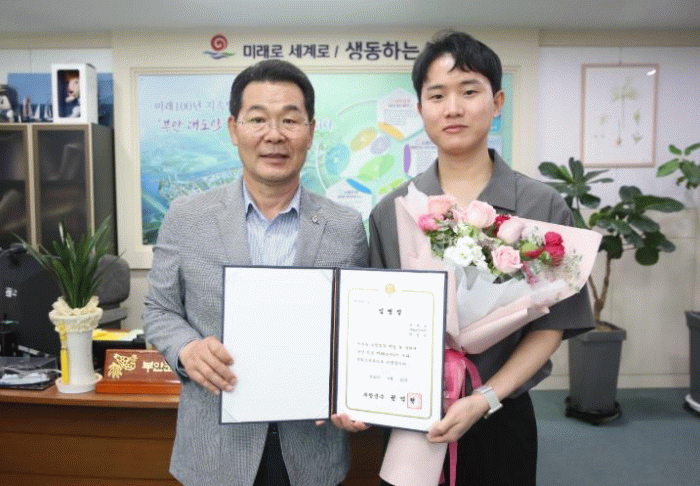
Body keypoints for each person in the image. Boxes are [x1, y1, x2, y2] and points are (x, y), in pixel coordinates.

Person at [369, 31, 594, 486]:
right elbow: (377, 318)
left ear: (497, 102)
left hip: (500, 411)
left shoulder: (542, 207)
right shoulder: (392, 211)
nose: (452, 108)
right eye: (437, 95)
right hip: (412, 412)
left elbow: (551, 325)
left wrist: (485, 397)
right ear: (420, 110)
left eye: (469, 91)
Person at [143, 59, 369, 486]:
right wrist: (187, 349)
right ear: (234, 129)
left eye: (290, 120)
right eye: (258, 119)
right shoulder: (186, 217)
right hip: (216, 450)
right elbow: (159, 309)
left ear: (311, 131)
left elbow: (359, 326)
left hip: (312, 449)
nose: (274, 135)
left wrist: (356, 390)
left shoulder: (345, 226)